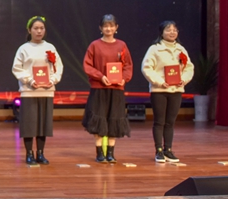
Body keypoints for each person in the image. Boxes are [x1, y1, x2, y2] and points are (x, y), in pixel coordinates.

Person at [11, 16, 63, 165]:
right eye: (36, 28)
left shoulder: (50, 47)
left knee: (43, 123)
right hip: (29, 91)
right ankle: (29, 153)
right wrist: (30, 80)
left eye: (41, 28)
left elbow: (58, 67)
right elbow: (17, 69)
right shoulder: (24, 49)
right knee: (29, 123)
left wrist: (52, 80)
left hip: (46, 91)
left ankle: (40, 153)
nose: (39, 31)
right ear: (29, 30)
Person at [82, 14, 133, 163]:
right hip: (99, 87)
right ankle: (99, 153)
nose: (108, 29)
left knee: (114, 118)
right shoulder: (94, 45)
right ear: (100, 28)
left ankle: (110, 153)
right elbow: (87, 65)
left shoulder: (122, 45)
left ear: (116, 28)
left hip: (116, 88)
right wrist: (100, 76)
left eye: (111, 26)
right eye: (105, 26)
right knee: (98, 118)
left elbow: (128, 65)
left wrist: (124, 78)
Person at [141, 20, 195, 163]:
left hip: (176, 90)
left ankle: (168, 150)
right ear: (162, 32)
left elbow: (189, 68)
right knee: (159, 121)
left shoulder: (181, 50)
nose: (172, 32)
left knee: (170, 122)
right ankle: (159, 150)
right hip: (159, 90)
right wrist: (160, 82)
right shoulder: (154, 49)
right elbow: (147, 68)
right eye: (168, 30)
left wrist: (183, 80)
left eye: (174, 30)